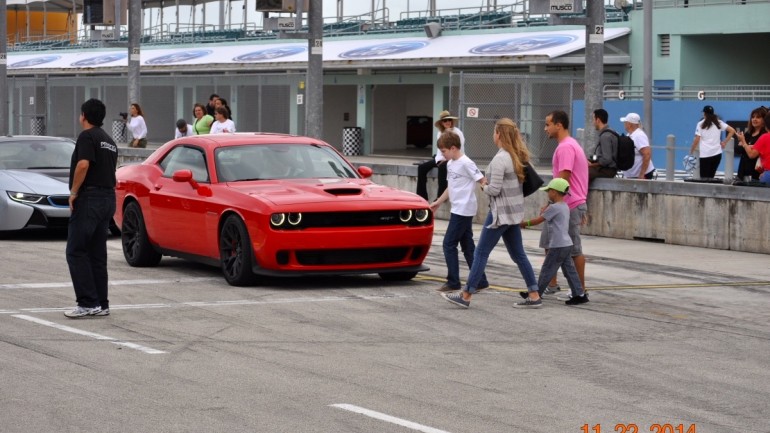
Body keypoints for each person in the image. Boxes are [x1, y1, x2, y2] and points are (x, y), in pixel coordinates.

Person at [441, 118, 538, 309]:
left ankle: (466, 294)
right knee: (519, 254)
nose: (492, 135)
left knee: (480, 253)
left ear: (499, 134)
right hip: (513, 213)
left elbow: (494, 189)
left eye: (494, 132)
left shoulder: (501, 158)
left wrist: (484, 185)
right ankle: (534, 294)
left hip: (499, 214)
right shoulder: (516, 156)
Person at [64, 98, 118, 318]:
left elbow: (83, 164)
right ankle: (101, 303)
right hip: (107, 198)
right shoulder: (109, 140)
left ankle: (87, 303)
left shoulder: (87, 136)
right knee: (97, 253)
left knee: (76, 251)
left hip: (90, 198)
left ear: (84, 115)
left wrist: (74, 192)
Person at [537, 110, 589, 301]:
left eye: (548, 124)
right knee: (551, 244)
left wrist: (551, 202)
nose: (545, 129)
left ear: (559, 125)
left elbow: (563, 177)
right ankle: (552, 284)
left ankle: (580, 289)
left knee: (573, 249)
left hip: (569, 204)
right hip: (565, 204)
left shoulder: (566, 147)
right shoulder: (569, 145)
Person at [429, 131, 488, 293]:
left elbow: (482, 180)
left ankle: (453, 281)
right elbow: (451, 187)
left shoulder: (466, 162)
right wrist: (438, 202)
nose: (442, 155)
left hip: (464, 209)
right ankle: (481, 279)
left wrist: (487, 189)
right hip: (457, 208)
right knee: (467, 246)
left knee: (448, 243)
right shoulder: (450, 164)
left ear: (453, 148)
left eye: (444, 151)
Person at [516, 178, 588, 307]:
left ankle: (535, 294)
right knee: (569, 271)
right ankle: (579, 294)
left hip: (558, 245)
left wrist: (522, 224)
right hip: (566, 244)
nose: (548, 193)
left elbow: (538, 220)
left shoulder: (554, 208)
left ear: (554, 192)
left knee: (547, 269)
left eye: (549, 191)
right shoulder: (565, 206)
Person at [416, 110, 465, 202]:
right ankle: (422, 196)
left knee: (443, 167)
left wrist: (446, 160)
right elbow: (439, 150)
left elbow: (460, 149)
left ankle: (441, 196)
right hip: (441, 157)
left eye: (449, 120)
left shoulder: (458, 133)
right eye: (445, 121)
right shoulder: (440, 133)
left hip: (454, 158)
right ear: (441, 123)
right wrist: (439, 160)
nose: (447, 122)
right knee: (422, 168)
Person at [689, 105, 736, 179]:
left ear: (704, 113)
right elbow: (732, 131)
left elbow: (697, 139)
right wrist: (724, 142)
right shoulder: (719, 122)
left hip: (705, 155)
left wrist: (691, 150)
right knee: (711, 177)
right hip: (717, 154)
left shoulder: (700, 124)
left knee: (704, 178)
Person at [620, 112, 656, 180]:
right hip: (633, 175)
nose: (624, 124)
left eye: (625, 122)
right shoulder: (630, 135)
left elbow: (647, 154)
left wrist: (642, 174)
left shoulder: (639, 135)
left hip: (641, 175)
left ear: (629, 124)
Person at [735, 106, 767, 181]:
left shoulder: (764, 135)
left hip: (756, 172)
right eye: (753, 117)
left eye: (758, 117)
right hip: (743, 171)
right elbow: (737, 149)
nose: (754, 119)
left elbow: (753, 154)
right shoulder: (748, 133)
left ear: (764, 120)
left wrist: (744, 144)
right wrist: (749, 146)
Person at [588, 108, 618, 181]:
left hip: (607, 171)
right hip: (608, 169)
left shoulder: (605, 136)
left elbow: (607, 159)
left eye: (593, 119)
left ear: (598, 120)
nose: (593, 122)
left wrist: (592, 165)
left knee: (581, 172)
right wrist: (591, 160)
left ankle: (580, 192)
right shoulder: (611, 132)